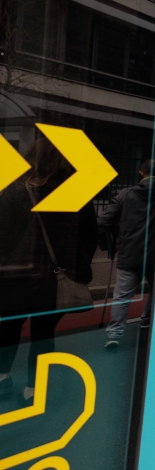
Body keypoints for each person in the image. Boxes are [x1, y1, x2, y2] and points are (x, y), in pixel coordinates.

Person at [0, 138, 97, 402]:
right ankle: (34, 388)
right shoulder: (76, 193)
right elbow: (89, 238)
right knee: (43, 334)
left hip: (17, 278)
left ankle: (3, 378)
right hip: (56, 280)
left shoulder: (15, 191)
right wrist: (73, 266)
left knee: (8, 328)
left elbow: (2, 237)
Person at [99, 159, 155, 348]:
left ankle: (114, 334)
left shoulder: (126, 194)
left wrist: (110, 243)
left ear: (141, 173)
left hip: (130, 254)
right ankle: (147, 320)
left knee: (122, 296)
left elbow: (103, 222)